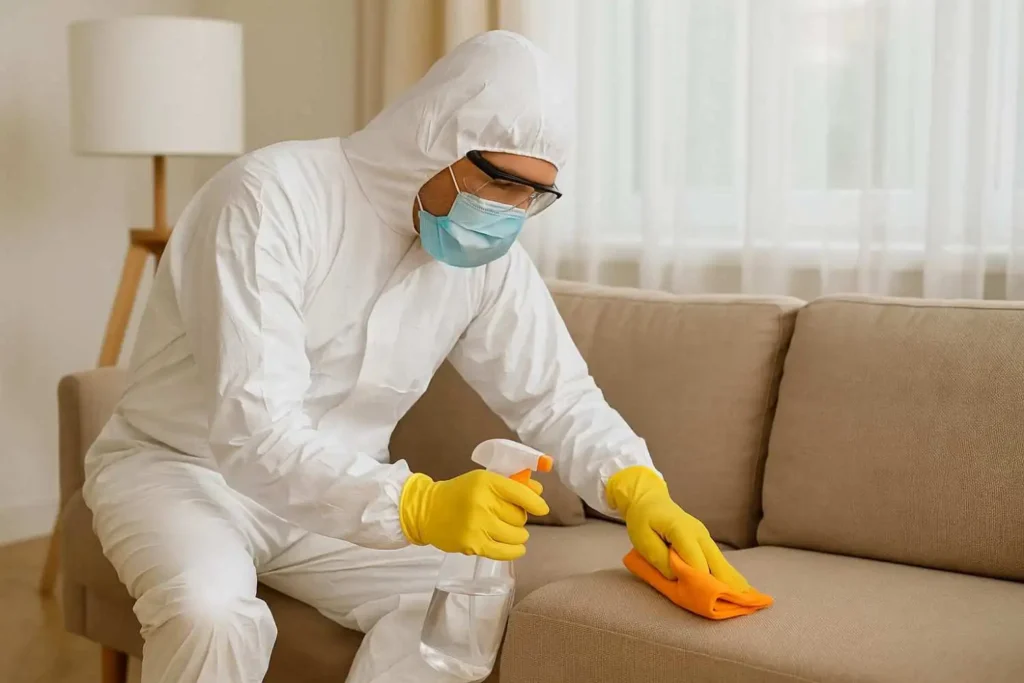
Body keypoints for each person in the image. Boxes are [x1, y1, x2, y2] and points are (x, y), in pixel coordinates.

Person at [83, 30, 749, 683]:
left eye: (532, 195)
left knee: (460, 605)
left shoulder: (487, 263)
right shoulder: (269, 199)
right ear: (433, 140)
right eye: (500, 182)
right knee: (211, 616)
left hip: (340, 494)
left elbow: (556, 396)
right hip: (185, 474)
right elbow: (255, 431)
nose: (510, 213)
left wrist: (637, 487)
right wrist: (417, 504)